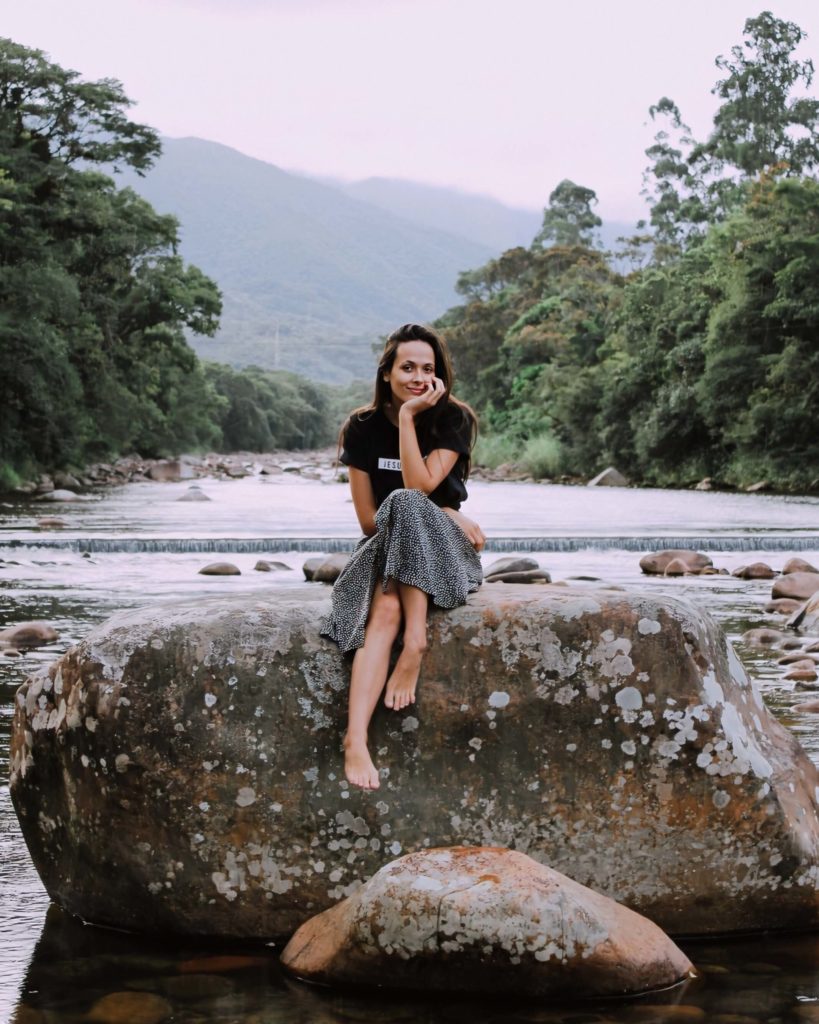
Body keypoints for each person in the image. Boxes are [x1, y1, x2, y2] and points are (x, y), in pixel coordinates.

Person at [321, 323, 485, 791]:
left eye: (428, 369)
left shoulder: (453, 419)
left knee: (410, 503)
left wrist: (413, 421)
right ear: (387, 372)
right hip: (384, 546)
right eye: (407, 367)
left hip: (444, 554)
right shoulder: (362, 427)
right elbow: (370, 522)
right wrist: (451, 511)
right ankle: (356, 739)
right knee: (386, 604)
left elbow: (420, 487)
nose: (418, 377)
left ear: (440, 376)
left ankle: (414, 644)